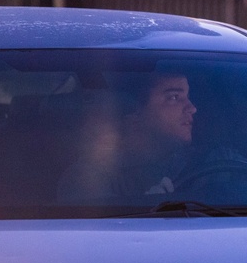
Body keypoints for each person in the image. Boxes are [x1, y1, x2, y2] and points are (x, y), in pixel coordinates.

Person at [58, 72, 201, 200]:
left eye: (188, 97)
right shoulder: (86, 179)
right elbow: (102, 228)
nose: (192, 108)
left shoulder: (203, 163)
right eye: (174, 97)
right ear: (134, 114)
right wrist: (149, 206)